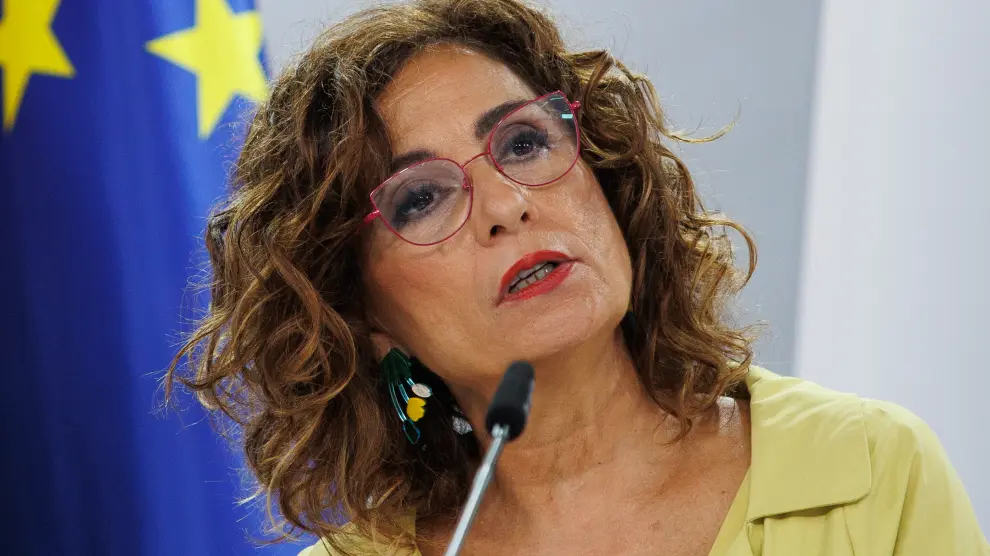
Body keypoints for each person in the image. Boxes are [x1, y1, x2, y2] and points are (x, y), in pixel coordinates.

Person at [167, 0, 989, 554]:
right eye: (421, 198)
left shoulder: (866, 470)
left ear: (604, 175)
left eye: (523, 143)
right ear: (359, 311)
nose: (506, 205)